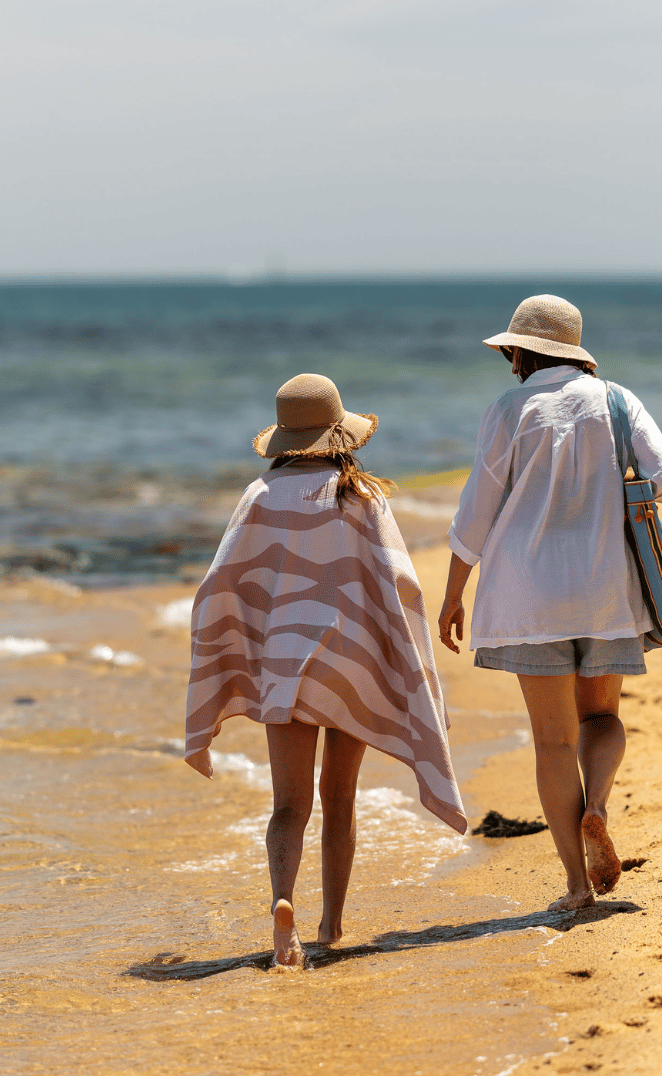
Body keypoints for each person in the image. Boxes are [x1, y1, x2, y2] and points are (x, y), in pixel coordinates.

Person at [186, 373, 467, 967]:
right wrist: (400, 653)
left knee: (288, 805)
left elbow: (224, 583)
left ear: (285, 438)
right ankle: (332, 925)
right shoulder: (364, 498)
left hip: (286, 668)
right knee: (339, 797)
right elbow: (399, 584)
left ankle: (282, 907)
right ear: (342, 435)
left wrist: (235, 654)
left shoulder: (258, 497)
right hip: (350, 663)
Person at [437, 295, 662, 913]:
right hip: (605, 587)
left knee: (551, 741)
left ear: (521, 352)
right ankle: (597, 807)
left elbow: (478, 508)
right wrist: (606, 491)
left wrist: (452, 594)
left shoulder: (508, 410)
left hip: (526, 595)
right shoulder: (616, 401)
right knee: (600, 718)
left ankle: (576, 888)